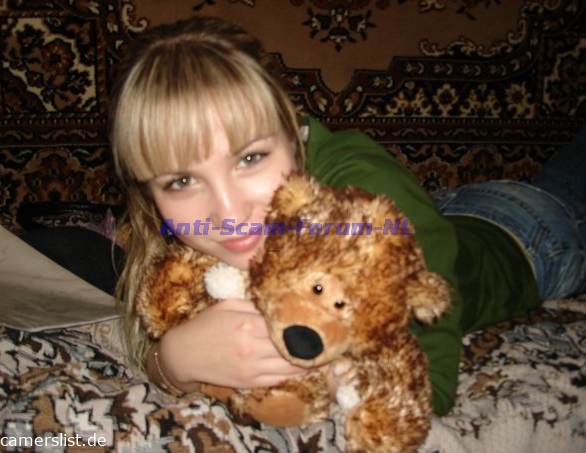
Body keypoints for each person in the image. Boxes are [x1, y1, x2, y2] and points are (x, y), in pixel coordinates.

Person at [108, 15, 586, 416]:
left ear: (294, 132)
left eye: (250, 158)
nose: (229, 214)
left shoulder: (367, 206)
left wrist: (315, 366)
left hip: (529, 234)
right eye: (181, 181)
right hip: (443, 206)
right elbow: (157, 336)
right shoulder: (182, 221)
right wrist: (173, 361)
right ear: (150, 192)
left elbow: (427, 389)